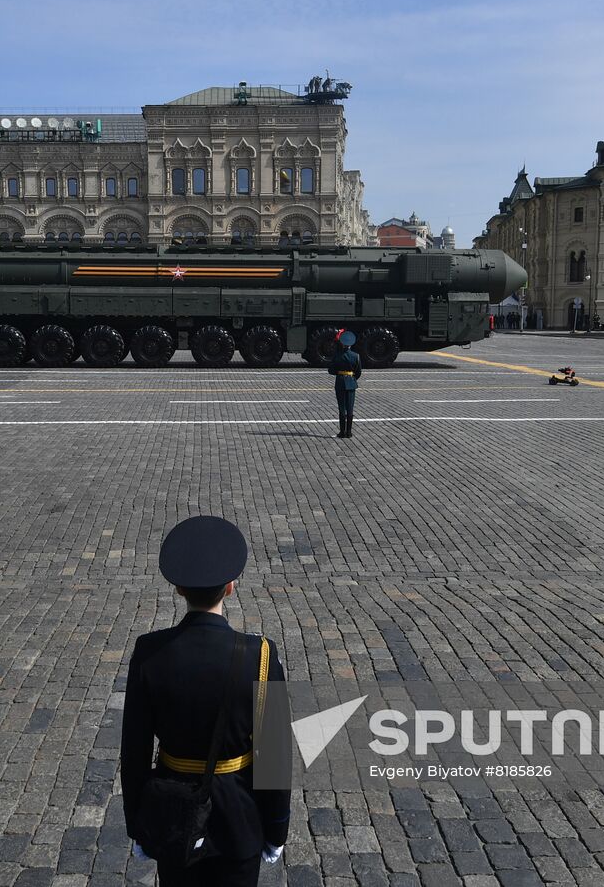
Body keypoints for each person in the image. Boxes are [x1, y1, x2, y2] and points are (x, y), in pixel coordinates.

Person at [121, 517, 290, 887]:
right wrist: (276, 830)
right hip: (239, 817)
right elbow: (275, 759)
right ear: (230, 587)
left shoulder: (149, 653)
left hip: (172, 814)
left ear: (179, 588)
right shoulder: (260, 655)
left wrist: (139, 822)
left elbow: (133, 751)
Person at [327, 329, 362, 439]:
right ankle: (349, 432)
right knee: (350, 408)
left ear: (342, 343)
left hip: (340, 382)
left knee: (342, 408)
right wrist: (351, 377)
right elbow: (358, 372)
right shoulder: (356, 356)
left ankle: (342, 432)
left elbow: (331, 370)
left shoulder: (338, 356)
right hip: (351, 382)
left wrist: (339, 373)